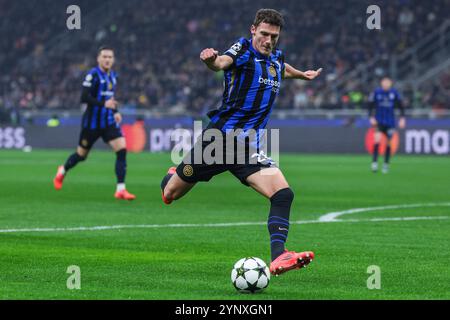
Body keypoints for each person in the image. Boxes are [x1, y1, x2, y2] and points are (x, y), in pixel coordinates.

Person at [160, 9, 322, 275]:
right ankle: (172, 176)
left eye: (274, 36)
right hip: (219, 142)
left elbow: (283, 68)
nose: (269, 41)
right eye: (264, 34)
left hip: (248, 149)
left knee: (283, 194)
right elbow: (222, 62)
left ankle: (279, 255)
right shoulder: (243, 50)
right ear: (252, 30)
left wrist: (302, 74)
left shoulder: (277, 58)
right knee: (170, 194)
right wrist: (210, 60)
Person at [53, 46, 136, 200]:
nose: (107, 59)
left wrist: (115, 111)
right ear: (98, 59)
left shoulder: (113, 76)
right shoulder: (92, 75)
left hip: (108, 123)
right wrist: (104, 104)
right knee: (81, 155)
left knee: (122, 150)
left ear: (113, 60)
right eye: (104, 56)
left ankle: (120, 189)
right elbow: (84, 97)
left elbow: (110, 99)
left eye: (110, 57)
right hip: (91, 124)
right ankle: (62, 170)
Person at [369, 77, 406, 174]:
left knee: (389, 143)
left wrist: (402, 118)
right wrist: (371, 117)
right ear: (381, 83)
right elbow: (370, 105)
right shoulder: (377, 93)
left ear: (390, 83)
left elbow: (401, 106)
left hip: (390, 122)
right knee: (376, 140)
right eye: (384, 82)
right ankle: (374, 163)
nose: (386, 84)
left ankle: (386, 164)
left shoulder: (394, 93)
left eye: (387, 82)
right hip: (379, 121)